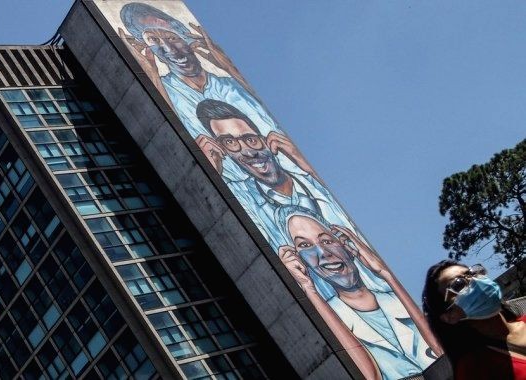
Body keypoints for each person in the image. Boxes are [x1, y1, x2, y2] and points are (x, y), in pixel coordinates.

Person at [119, 2, 279, 181]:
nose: (168, 49)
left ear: (188, 39)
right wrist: (153, 78)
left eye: (172, 38)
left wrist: (228, 66)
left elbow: (274, 130)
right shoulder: (164, 91)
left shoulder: (231, 86)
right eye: (153, 40)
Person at [277, 206, 441, 380]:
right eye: (305, 245)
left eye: (326, 241)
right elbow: (369, 376)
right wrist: (308, 288)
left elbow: (442, 353)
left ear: (345, 244)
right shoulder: (330, 317)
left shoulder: (396, 300)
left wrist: (386, 274)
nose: (323, 254)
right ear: (298, 259)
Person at [195, 99, 358, 250]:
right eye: (230, 143)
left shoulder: (313, 184)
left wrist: (304, 164)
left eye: (251, 139)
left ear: (267, 141)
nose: (248, 152)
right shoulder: (238, 195)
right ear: (221, 149)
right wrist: (209, 169)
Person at [422, 260, 526, 379]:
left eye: (473, 273)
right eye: (459, 284)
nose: (474, 281)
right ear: (449, 316)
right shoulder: (473, 370)